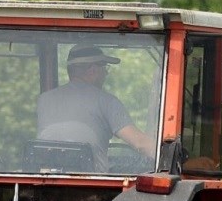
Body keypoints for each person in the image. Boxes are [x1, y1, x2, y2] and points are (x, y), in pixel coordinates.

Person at [36, 44, 156, 172]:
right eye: (105, 68)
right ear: (93, 70)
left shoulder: (44, 99)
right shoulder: (106, 101)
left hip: (46, 183)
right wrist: (169, 155)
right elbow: (139, 143)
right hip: (93, 185)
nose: (106, 73)